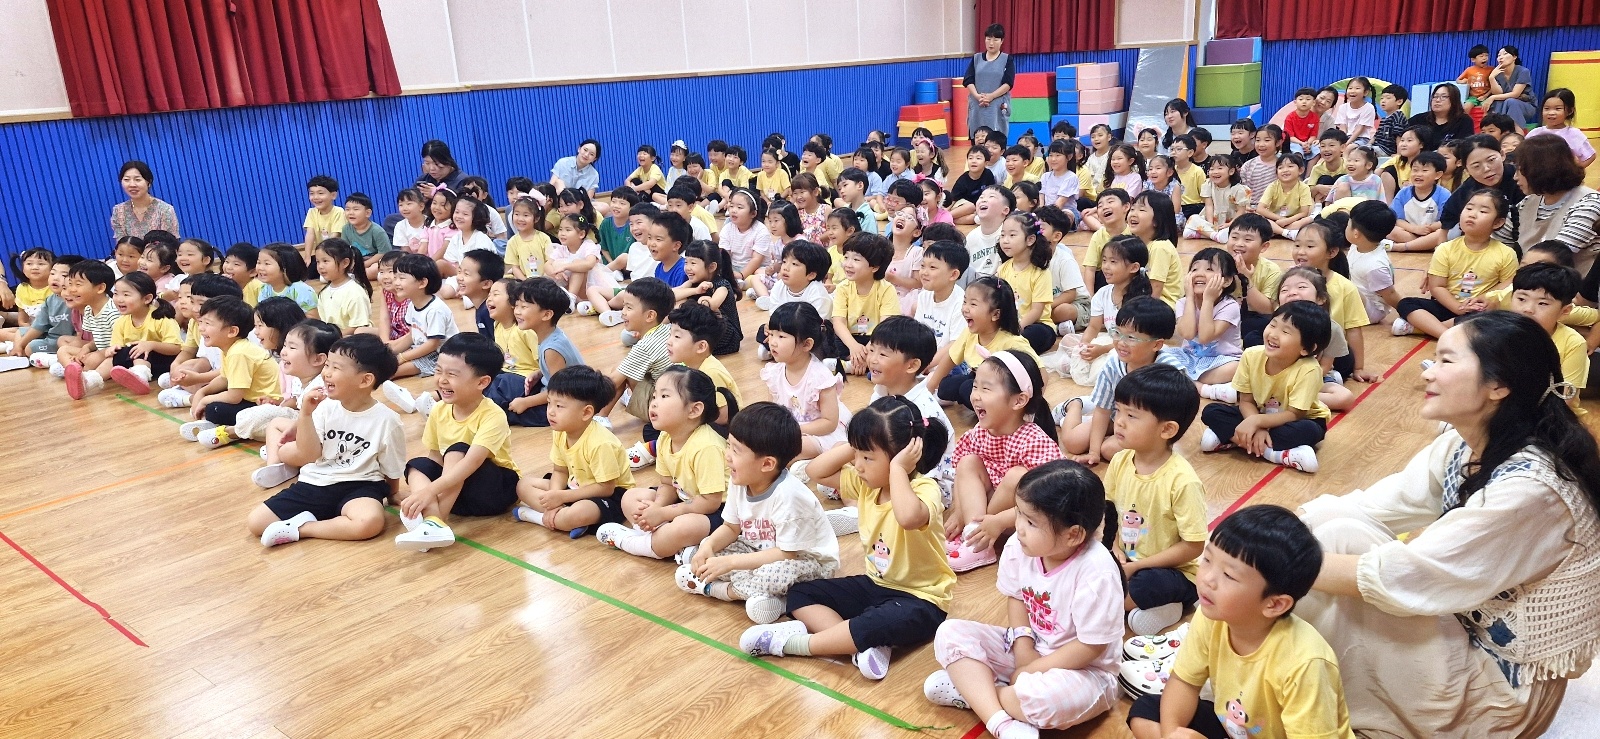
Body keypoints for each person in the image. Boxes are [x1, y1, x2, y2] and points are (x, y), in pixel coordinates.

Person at [1299, 311, 1600, 736]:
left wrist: (1275, 564)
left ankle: (1263, 675)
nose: (1427, 373)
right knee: (1334, 524)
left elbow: (1407, 575)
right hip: (1462, 639)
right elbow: (1374, 506)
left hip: (1497, 696)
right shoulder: (1466, 444)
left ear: (1498, 385)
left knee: (1317, 554)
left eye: (1445, 360)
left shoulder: (1531, 490)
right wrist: (1268, 536)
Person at [741, 397, 953, 681]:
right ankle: (856, 647)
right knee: (801, 593)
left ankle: (791, 644)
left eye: (868, 457)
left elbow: (907, 517)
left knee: (876, 622)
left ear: (902, 457)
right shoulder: (867, 485)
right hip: (877, 585)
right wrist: (857, 444)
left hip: (922, 601)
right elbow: (815, 471)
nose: (858, 465)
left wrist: (899, 470)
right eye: (857, 455)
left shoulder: (924, 488)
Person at [925, 460, 1123, 739]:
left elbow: (1091, 646)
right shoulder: (1019, 547)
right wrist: (1023, 647)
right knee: (949, 632)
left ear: (1073, 535)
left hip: (1085, 671)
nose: (1019, 527)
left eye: (1031, 522)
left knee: (1043, 700)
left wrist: (1031, 669)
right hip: (1032, 649)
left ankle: (976, 692)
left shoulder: (1097, 572)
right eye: (1019, 513)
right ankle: (1001, 722)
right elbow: (1017, 597)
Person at [1126, 505, 1353, 739]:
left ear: (1275, 604)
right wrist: (1172, 733)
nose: (1208, 579)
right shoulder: (1211, 616)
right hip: (1232, 727)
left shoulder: (1305, 663)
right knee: (1146, 710)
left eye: (1229, 575)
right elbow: (1184, 682)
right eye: (1208, 559)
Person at [680, 402, 839, 624]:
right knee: (702, 553)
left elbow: (787, 555)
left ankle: (722, 590)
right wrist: (708, 546)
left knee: (775, 573)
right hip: (758, 549)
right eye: (729, 445)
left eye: (736, 450)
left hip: (807, 561)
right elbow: (731, 528)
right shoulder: (740, 479)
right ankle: (760, 593)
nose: (727, 455)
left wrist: (732, 563)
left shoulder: (789, 496)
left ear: (767, 464)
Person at [248, 333, 406, 547]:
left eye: (336, 368)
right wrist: (305, 415)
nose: (326, 373)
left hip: (361, 485)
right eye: (327, 365)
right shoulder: (324, 407)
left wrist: (393, 493)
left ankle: (303, 528)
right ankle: (323, 521)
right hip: (315, 481)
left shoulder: (388, 420)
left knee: (369, 523)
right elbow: (309, 454)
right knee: (256, 523)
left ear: (365, 380)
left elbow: (392, 465)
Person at [394, 333, 522, 552]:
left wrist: (428, 491)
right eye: (438, 371)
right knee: (417, 465)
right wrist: (428, 488)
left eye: (452, 374)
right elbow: (435, 458)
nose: (442, 380)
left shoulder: (493, 415)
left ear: (482, 382)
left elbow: (472, 463)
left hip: (495, 490)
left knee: (457, 450)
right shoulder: (439, 410)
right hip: (458, 495)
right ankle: (431, 520)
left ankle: (435, 522)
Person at [597, 367, 734, 559]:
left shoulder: (707, 446)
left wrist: (664, 513)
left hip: (718, 511)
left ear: (694, 410)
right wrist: (657, 507)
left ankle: (633, 542)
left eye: (664, 396)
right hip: (685, 499)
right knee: (630, 497)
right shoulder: (665, 438)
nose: (653, 403)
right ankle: (672, 546)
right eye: (654, 396)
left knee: (684, 527)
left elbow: (709, 503)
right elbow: (668, 484)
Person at [945, 350, 1062, 572]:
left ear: (1019, 400)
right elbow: (961, 472)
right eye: (975, 386)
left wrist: (999, 521)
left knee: (1018, 476)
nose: (975, 395)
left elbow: (1047, 502)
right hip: (990, 512)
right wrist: (960, 512)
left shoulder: (1034, 441)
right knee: (968, 462)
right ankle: (973, 535)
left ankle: (978, 541)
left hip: (1024, 517)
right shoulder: (980, 431)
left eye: (986, 388)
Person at [1200, 301, 1332, 473]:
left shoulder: (1309, 369)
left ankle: (1236, 439)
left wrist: (1256, 423)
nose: (1273, 334)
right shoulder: (1251, 355)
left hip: (1298, 419)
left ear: (1306, 349)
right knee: (1211, 411)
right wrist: (1257, 424)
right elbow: (1246, 401)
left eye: (1285, 332)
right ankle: (1277, 453)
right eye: (1273, 325)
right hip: (1259, 413)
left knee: (1309, 431)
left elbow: (1295, 414)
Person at [511, 364, 633, 536]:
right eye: (549, 403)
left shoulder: (601, 443)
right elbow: (560, 471)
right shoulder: (561, 432)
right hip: (574, 486)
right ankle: (559, 517)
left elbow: (606, 488)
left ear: (586, 413)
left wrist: (562, 498)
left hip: (608, 495)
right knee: (523, 485)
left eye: (559, 406)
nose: (551, 412)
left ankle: (537, 517)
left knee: (580, 512)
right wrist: (555, 496)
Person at [1394, 190, 1519, 339]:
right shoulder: (1445, 249)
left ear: (1498, 222)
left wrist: (1484, 298)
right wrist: (1458, 308)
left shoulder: (1506, 253)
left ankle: (1425, 328)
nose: (1472, 214)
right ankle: (1447, 334)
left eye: (1483, 211)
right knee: (1406, 303)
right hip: (1448, 305)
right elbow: (1437, 287)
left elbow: (1507, 284)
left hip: (1479, 310)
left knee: (1493, 318)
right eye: (1469, 208)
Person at [176, 296, 280, 446]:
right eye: (201, 322)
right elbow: (224, 378)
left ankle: (230, 432)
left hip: (267, 405)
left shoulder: (239, 352)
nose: (201, 328)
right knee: (213, 401)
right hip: (250, 399)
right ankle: (216, 425)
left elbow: (234, 397)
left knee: (215, 409)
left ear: (232, 331)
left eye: (207, 323)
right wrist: (202, 392)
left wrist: (205, 400)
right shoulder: (230, 348)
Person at [763, 303, 849, 459]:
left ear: (806, 344)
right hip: (789, 430)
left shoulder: (820, 377)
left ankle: (798, 464)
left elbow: (829, 423)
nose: (773, 342)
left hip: (818, 433)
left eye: (781, 336)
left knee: (795, 448)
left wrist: (795, 431)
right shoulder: (774, 372)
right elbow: (773, 410)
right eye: (771, 334)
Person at [1512, 134, 1600, 277]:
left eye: (1520, 170)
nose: (1515, 177)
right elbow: (1497, 241)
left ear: (1540, 170)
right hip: (1528, 282)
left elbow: (1551, 257)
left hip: (1572, 287)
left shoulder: (1589, 203)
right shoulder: (1528, 203)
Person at [964, 24, 1014, 138]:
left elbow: (1008, 83)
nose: (991, 43)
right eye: (988, 39)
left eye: (995, 40)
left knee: (996, 137)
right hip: (978, 104)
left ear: (1002, 41)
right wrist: (977, 96)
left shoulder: (1007, 59)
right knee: (977, 136)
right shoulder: (976, 58)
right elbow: (968, 79)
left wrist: (991, 96)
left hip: (997, 105)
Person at [1526, 88, 1597, 167]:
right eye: (1547, 108)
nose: (1551, 113)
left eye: (1557, 109)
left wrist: (1577, 168)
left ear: (1570, 111)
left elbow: (1590, 156)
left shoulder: (1574, 134)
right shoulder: (1534, 133)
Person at [110, 160, 179, 241]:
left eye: (137, 179)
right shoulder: (118, 211)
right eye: (126, 180)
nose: (132, 184)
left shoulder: (165, 210)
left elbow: (170, 244)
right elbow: (121, 244)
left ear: (149, 182)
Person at [1485, 45, 1538, 128]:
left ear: (1514, 57)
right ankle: (1497, 129)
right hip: (1505, 103)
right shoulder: (1496, 73)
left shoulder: (1523, 71)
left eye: (1505, 54)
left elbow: (1515, 94)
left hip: (1526, 104)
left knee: (1510, 101)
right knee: (1497, 103)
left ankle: (1515, 131)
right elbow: (1498, 93)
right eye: (1499, 55)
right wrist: (1491, 78)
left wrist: (1492, 97)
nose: (1501, 57)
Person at [1408, 83, 1476, 147]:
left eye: (1444, 97)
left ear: (1454, 100)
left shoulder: (1464, 121)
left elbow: (1464, 146)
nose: (1437, 100)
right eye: (1435, 96)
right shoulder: (1418, 120)